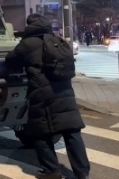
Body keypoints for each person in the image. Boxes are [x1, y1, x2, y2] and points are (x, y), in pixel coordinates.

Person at [5, 13, 90, 179]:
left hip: (42, 94)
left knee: (40, 133)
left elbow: (11, 61)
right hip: (65, 92)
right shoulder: (58, 41)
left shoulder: (27, 44)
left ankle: (51, 171)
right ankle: (83, 173)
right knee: (72, 132)